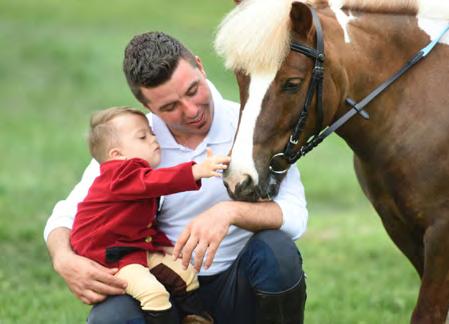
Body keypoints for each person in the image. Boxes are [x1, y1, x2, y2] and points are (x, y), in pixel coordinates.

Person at [44, 31, 308, 324]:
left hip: (239, 283)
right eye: (170, 107)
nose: (191, 111)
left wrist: (229, 212)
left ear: (200, 66)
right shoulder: (134, 143)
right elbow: (65, 216)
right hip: (162, 287)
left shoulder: (251, 128)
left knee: (278, 252)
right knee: (110, 318)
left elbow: (296, 216)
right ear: (149, 108)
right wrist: (63, 259)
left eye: (193, 90)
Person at [70, 106, 230, 323]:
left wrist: (160, 244)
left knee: (185, 273)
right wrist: (196, 171)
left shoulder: (133, 180)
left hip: (134, 249)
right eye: (142, 136)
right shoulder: (119, 175)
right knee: (153, 293)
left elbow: (139, 224)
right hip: (110, 258)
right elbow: (155, 182)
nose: (154, 140)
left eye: (152, 133)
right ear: (117, 155)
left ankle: (195, 317)